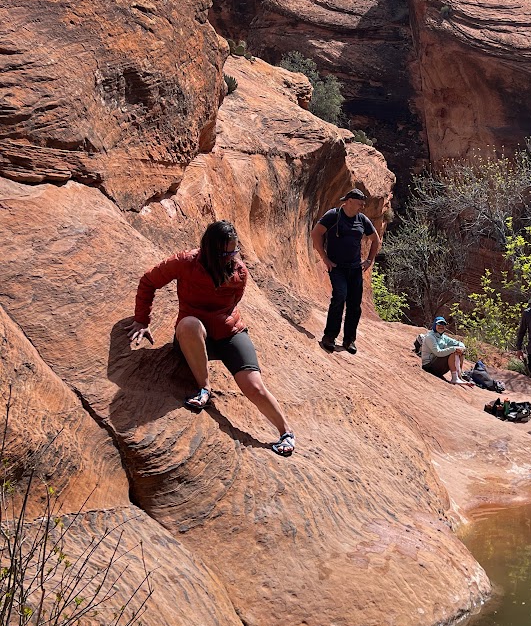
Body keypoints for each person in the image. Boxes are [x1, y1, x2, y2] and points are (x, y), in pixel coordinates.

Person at [127, 220, 296, 456]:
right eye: (225, 251)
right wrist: (141, 320)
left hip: (229, 333)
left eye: (234, 250)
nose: (231, 257)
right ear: (209, 248)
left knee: (254, 386)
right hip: (194, 336)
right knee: (188, 324)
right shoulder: (186, 262)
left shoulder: (239, 272)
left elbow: (234, 303)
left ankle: (286, 432)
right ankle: (204, 388)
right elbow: (149, 281)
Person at [311, 188, 382, 355]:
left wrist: (369, 260)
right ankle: (329, 336)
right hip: (337, 267)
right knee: (340, 296)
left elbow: (375, 240)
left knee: (354, 304)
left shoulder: (362, 220)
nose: (361, 207)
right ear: (348, 201)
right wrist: (325, 258)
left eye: (363, 204)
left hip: (355, 268)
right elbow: (316, 234)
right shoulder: (333, 215)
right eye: (359, 204)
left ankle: (349, 340)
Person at [420, 317, 474, 386]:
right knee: (453, 351)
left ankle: (459, 376)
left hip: (438, 367)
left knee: (459, 351)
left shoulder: (443, 337)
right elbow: (438, 352)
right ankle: (455, 378)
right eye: (439, 324)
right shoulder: (430, 337)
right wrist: (454, 349)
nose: (441, 326)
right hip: (429, 367)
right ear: (434, 325)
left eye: (443, 325)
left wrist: (462, 348)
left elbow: (458, 343)